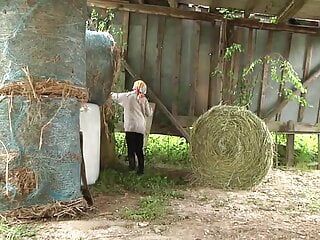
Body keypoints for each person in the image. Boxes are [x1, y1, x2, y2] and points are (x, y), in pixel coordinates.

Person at [110, 80, 152, 175]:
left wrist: (109, 92)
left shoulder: (127, 96)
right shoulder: (144, 99)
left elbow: (114, 96)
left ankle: (131, 167)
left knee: (131, 149)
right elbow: (148, 113)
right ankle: (141, 170)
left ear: (134, 87)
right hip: (140, 127)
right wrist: (151, 110)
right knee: (139, 149)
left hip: (130, 127)